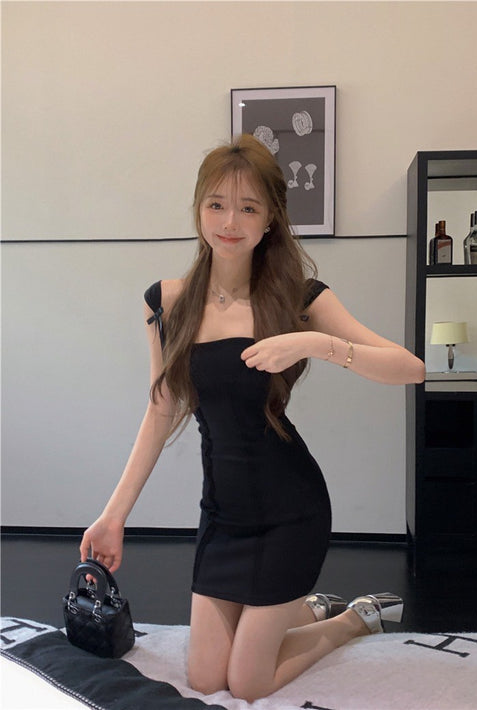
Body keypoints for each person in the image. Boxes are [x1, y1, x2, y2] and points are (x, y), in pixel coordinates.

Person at [80, 134, 425, 702]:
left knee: (247, 682)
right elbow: (161, 407)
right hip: (223, 514)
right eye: (216, 204)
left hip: (291, 509)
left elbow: (410, 368)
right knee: (205, 678)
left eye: (247, 207)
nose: (229, 221)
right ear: (198, 210)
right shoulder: (166, 301)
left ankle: (351, 620)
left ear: (270, 219)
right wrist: (112, 516)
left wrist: (312, 343)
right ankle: (305, 608)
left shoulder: (299, 298)